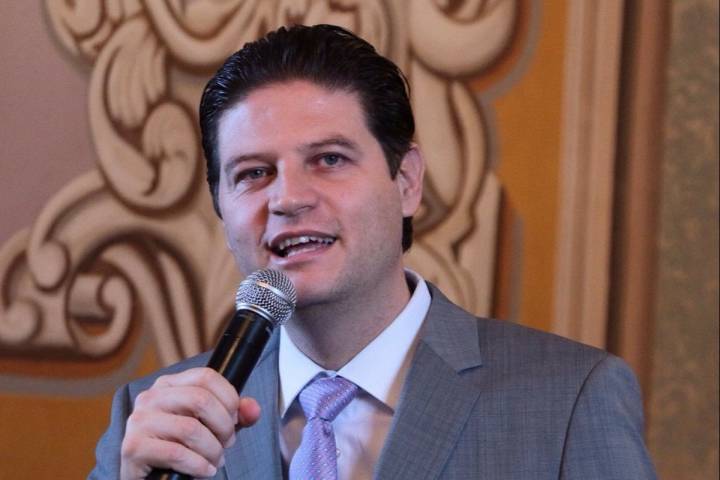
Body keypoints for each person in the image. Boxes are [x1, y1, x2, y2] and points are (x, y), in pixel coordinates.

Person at [90, 24, 657, 479]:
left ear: (406, 181)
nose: (287, 198)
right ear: (220, 204)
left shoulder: (569, 400)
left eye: (329, 160)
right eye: (254, 173)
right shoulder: (151, 422)